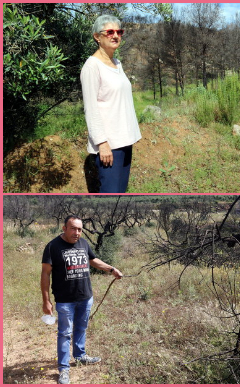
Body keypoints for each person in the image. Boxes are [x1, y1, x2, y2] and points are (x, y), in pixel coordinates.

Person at [41, 215, 123, 384]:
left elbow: (92, 260)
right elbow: (45, 273)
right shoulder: (52, 247)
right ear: (64, 228)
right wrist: (46, 300)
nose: (77, 233)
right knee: (64, 334)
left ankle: (80, 356)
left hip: (85, 297)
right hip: (65, 300)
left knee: (81, 328)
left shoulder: (84, 243)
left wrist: (111, 269)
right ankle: (63, 369)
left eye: (79, 229)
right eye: (73, 228)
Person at [81, 15, 141, 193]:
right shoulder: (92, 67)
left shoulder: (117, 63)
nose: (115, 35)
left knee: (120, 193)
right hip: (109, 146)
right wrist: (102, 143)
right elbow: (90, 109)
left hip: (125, 140)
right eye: (109, 32)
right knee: (110, 192)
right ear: (97, 37)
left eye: (119, 32)